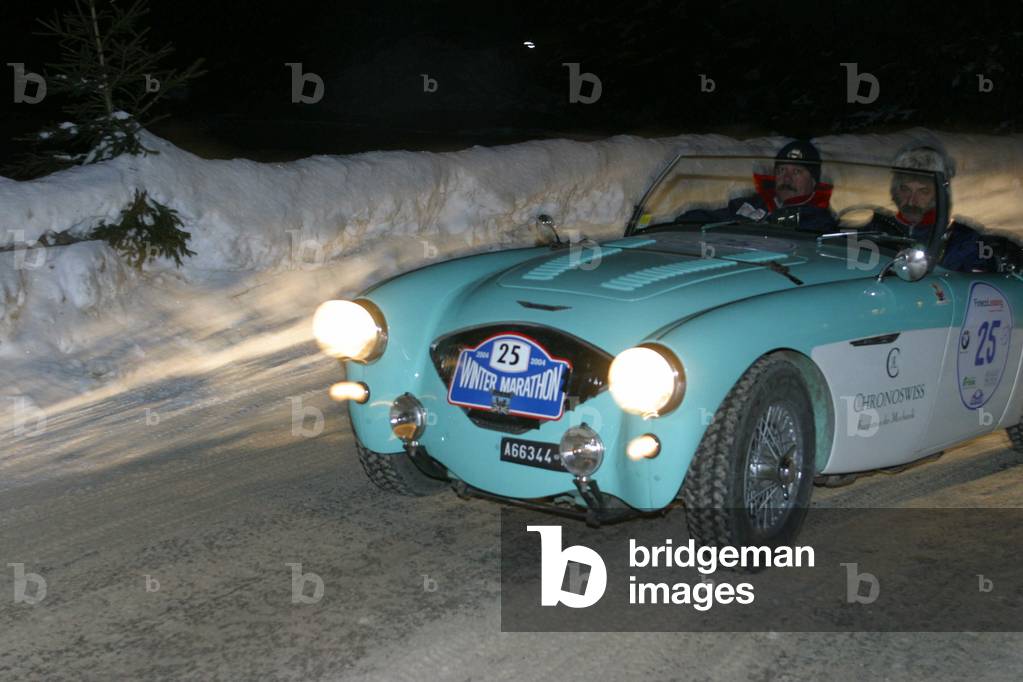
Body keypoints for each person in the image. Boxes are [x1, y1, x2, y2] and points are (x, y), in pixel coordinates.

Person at [872, 145, 994, 272]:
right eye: (905, 189)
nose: (911, 201)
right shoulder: (874, 229)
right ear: (895, 190)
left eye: (923, 191)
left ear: (938, 195)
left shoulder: (965, 241)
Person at [680, 140, 836, 230]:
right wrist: (677, 225)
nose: (787, 178)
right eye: (781, 170)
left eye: (797, 172)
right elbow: (711, 218)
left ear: (813, 180)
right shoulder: (753, 203)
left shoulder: (817, 219)